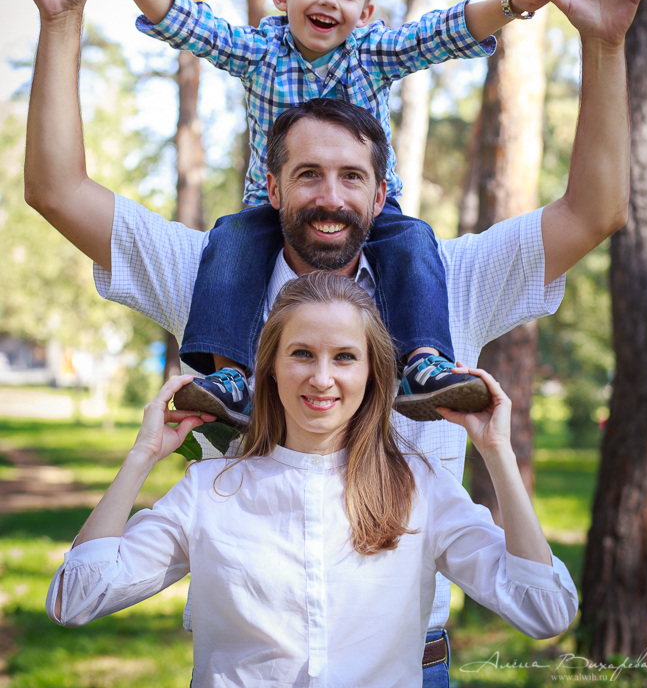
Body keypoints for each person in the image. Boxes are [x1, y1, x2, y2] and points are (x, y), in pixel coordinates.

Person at [4, 0, 647, 680]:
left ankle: (417, 354)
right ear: (271, 188)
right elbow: (55, 189)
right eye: (307, 174)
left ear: (380, 195)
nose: (330, 195)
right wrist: (60, 22)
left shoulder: (442, 279)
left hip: (402, 663)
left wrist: (601, 47)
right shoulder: (215, 270)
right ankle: (231, 381)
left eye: (352, 176)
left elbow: (592, 211)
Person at [78, 0, 568, 424]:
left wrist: (511, 3)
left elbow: (444, 33)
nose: (329, 0)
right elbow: (189, 24)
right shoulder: (259, 53)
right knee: (231, 243)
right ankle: (231, 376)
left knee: (414, 242)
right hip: (273, 204)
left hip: (371, 210)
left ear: (366, 13)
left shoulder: (372, 55)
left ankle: (422, 362)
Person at [46, 273, 578, 688]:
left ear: (371, 375)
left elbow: (545, 609)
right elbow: (75, 598)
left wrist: (498, 453)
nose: (322, 377)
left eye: (345, 357)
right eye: (301, 353)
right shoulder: (208, 490)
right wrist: (142, 455)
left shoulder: (420, 488)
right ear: (270, 368)